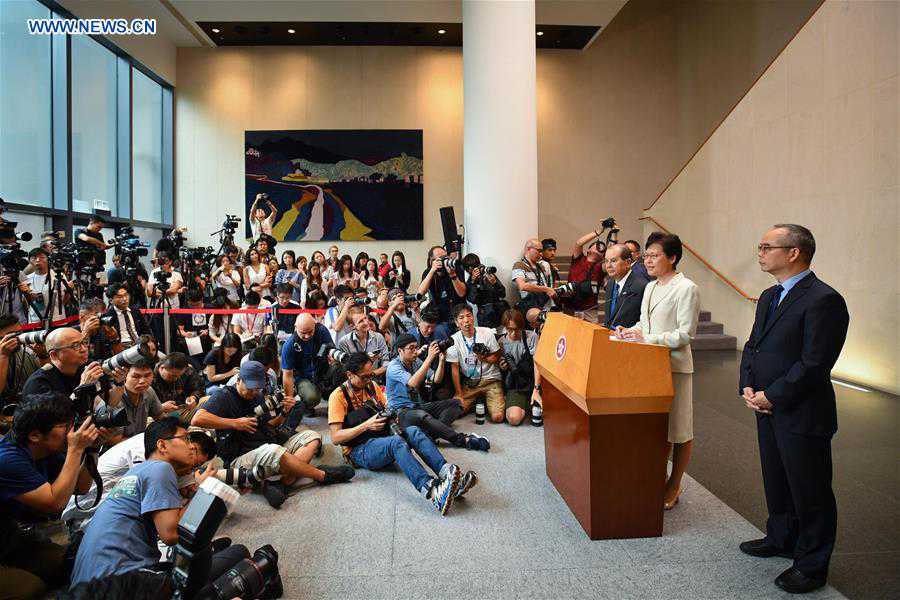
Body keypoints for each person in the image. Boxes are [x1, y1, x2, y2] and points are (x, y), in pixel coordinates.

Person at [738, 224, 848, 594]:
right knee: (777, 479)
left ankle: (812, 565)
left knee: (810, 489)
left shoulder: (823, 299)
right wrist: (749, 386)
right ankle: (781, 537)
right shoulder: (770, 296)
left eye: (766, 246)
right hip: (766, 405)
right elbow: (754, 345)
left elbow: (815, 363)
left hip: (801, 411)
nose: (760, 252)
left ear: (794, 253)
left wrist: (775, 395)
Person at [69, 418, 249, 591]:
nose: (191, 446)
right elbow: (171, 534)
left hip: (90, 584)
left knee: (218, 552)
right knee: (239, 553)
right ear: (162, 445)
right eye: (185, 439)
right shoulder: (160, 468)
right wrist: (206, 491)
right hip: (124, 582)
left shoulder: (140, 471)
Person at [328, 352, 476, 515]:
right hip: (358, 450)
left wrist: (391, 417)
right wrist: (366, 425)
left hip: (380, 437)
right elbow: (336, 438)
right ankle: (433, 492)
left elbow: (387, 409)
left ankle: (448, 476)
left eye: (371, 375)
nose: (369, 380)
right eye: (364, 377)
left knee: (414, 431)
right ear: (350, 375)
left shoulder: (371, 387)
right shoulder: (338, 396)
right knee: (396, 443)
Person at [192, 362, 353, 508]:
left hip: (264, 445)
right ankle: (322, 475)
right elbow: (197, 419)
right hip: (240, 458)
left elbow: (269, 425)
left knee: (312, 437)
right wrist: (234, 423)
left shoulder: (257, 396)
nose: (253, 392)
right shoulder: (224, 396)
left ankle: (282, 484)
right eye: (250, 388)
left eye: (257, 388)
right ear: (239, 380)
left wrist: (284, 412)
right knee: (273, 451)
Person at [615, 234, 699, 510]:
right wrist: (632, 331)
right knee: (657, 428)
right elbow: (645, 322)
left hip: (675, 368)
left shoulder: (686, 288)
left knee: (679, 429)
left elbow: (685, 334)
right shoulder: (650, 287)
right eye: (646, 256)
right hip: (650, 366)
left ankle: (675, 483)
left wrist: (647, 339)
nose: (647, 260)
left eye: (654, 255)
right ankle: (658, 476)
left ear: (672, 257)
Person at [0, 394, 99, 598]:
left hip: (7, 536)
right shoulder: (8, 459)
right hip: (6, 537)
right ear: (35, 435)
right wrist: (75, 449)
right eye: (65, 426)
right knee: (30, 589)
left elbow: (81, 487)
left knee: (68, 562)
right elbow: (54, 502)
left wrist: (91, 449)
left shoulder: (46, 451)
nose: (72, 431)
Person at [61, 430, 216, 531]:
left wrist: (197, 486)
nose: (191, 466)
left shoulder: (174, 452)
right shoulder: (147, 454)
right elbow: (169, 531)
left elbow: (187, 490)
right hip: (87, 513)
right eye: (193, 456)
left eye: (197, 465)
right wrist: (201, 491)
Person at [386, 333, 489, 450]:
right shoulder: (393, 367)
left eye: (416, 347)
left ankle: (428, 435)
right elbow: (412, 383)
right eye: (411, 348)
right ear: (400, 350)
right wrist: (429, 358)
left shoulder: (415, 361)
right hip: (400, 412)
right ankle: (463, 440)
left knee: (457, 404)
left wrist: (441, 360)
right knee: (422, 415)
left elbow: (436, 379)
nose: (415, 351)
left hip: (417, 406)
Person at [445, 304, 506, 423]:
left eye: (468, 316)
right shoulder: (453, 340)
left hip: (491, 379)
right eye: (461, 318)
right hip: (471, 382)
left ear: (473, 317)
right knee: (454, 413)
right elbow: (455, 369)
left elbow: (497, 356)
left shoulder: (487, 333)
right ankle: (478, 400)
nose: (466, 320)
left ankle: (492, 398)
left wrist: (485, 358)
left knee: (497, 418)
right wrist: (458, 393)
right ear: (456, 323)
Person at [22, 328, 105, 400]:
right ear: (54, 355)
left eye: (84, 342)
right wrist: (81, 389)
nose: (84, 349)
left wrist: (117, 383)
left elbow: (107, 406)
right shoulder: (39, 384)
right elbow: (60, 417)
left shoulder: (84, 368)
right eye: (75, 346)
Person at [281, 314, 334, 425]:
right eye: (303, 333)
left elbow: (331, 348)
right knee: (312, 397)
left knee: (340, 369)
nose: (307, 336)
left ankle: (334, 401)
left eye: (310, 332)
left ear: (315, 325)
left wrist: (331, 357)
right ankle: (306, 404)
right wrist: (289, 400)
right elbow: (287, 375)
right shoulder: (289, 346)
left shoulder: (321, 331)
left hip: (321, 371)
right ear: (296, 327)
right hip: (302, 377)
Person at [102, 357, 166, 444]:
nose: (142, 381)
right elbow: (115, 440)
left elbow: (160, 417)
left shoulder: (148, 391)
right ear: (124, 377)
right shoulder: (114, 399)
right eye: (136, 376)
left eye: (147, 375)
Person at [496, 309, 542, 426]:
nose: (513, 333)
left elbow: (537, 364)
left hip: (533, 380)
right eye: (509, 329)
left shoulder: (531, 337)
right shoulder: (501, 342)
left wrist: (536, 389)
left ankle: (530, 401)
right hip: (517, 383)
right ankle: (524, 404)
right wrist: (503, 367)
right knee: (513, 418)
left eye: (516, 329)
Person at [0, 315, 45, 408]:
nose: (19, 338)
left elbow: (47, 379)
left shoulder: (27, 351)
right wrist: (3, 356)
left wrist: (43, 355)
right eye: (13, 335)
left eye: (19, 333)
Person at [603, 244, 649, 329]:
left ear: (628, 263)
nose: (608, 266)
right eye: (606, 261)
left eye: (613, 261)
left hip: (629, 339)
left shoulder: (641, 286)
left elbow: (645, 321)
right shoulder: (610, 283)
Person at [417, 246, 466, 326]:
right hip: (440, 317)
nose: (444, 260)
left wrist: (452, 275)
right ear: (432, 261)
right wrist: (432, 270)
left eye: (445, 257)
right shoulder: (428, 272)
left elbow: (462, 293)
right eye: (441, 258)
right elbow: (420, 293)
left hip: (458, 314)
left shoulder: (455, 269)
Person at [151, 352, 205, 426]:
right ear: (162, 368)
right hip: (160, 414)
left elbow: (199, 388)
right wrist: (160, 407)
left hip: (184, 408)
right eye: (173, 376)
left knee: (208, 400)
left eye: (179, 375)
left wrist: (194, 397)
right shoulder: (150, 377)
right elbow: (144, 407)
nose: (176, 379)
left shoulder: (187, 371)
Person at [337, 308, 390, 379]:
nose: (366, 322)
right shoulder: (344, 342)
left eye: (365, 318)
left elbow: (386, 363)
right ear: (352, 326)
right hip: (355, 382)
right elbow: (347, 369)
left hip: (375, 380)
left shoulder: (378, 337)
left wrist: (371, 374)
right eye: (361, 321)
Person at [511, 238, 557, 313]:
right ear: (528, 249)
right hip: (531, 308)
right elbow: (522, 286)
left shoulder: (542, 266)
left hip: (546, 306)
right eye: (538, 250)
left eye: (541, 251)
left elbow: (547, 285)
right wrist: (546, 289)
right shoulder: (519, 265)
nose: (541, 254)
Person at [23, 247, 68, 324]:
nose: (38, 260)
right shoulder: (27, 278)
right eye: (34, 258)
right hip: (35, 320)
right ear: (29, 261)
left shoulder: (58, 276)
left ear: (48, 259)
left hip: (57, 319)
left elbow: (66, 298)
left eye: (42, 257)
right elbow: (25, 303)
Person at [568, 230, 607, 312]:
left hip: (590, 308)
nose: (600, 248)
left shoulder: (601, 267)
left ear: (603, 256)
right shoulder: (578, 259)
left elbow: (612, 255)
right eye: (597, 246)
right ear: (588, 250)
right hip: (570, 305)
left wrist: (614, 232)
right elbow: (579, 243)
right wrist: (599, 232)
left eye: (602, 249)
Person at [103, 283, 151, 349]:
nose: (125, 299)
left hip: (139, 343)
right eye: (120, 297)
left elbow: (145, 329)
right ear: (111, 300)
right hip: (122, 346)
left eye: (126, 295)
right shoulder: (108, 316)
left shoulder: (135, 310)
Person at [465, 260, 508, 329]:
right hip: (485, 317)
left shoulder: (489, 275)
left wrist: (495, 283)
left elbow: (503, 294)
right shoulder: (470, 282)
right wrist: (473, 283)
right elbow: (473, 300)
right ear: (469, 269)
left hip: (499, 312)